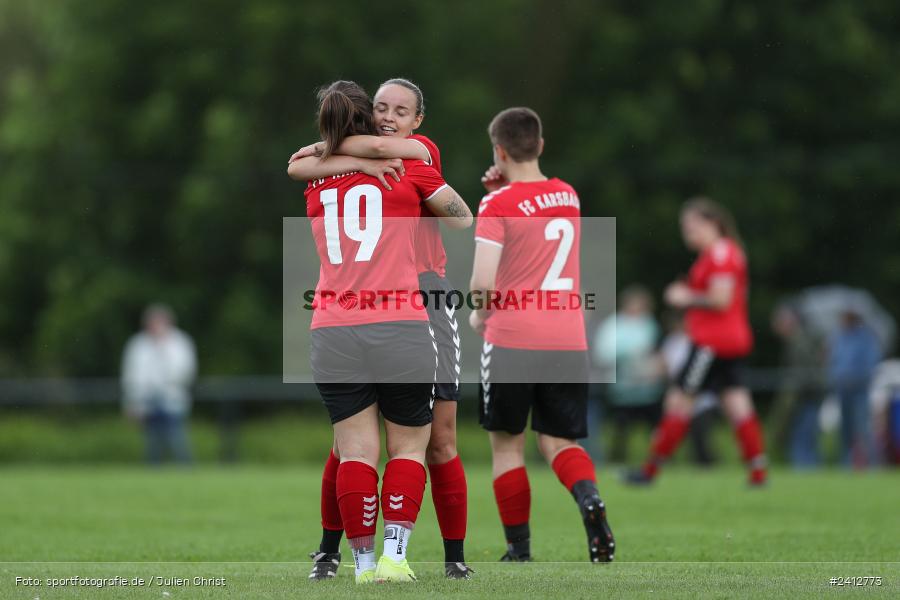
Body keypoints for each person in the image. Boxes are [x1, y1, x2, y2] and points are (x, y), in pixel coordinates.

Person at [288, 80, 472, 584]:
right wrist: (360, 161)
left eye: (401, 111)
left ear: (418, 121)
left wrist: (338, 148)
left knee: (424, 440)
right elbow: (463, 218)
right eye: (381, 108)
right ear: (367, 115)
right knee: (377, 444)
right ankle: (350, 553)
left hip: (382, 305)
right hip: (398, 310)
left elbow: (299, 163)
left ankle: (439, 558)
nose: (389, 118)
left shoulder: (412, 153)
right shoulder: (393, 166)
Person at [470, 107, 615, 563]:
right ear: (541, 145)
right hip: (568, 337)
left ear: (499, 151)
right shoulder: (568, 195)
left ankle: (519, 549)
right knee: (560, 442)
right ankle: (589, 498)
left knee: (507, 445)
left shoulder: (496, 204)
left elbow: (482, 284)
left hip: (513, 337)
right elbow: (535, 221)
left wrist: (478, 317)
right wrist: (503, 189)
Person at [625, 197, 767, 487]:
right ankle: (758, 472)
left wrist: (684, 296)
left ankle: (649, 471)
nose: (687, 233)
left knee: (678, 401)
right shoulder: (722, 253)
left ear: (712, 223)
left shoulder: (720, 254)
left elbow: (721, 299)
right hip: (730, 341)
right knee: (737, 404)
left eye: (691, 226)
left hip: (712, 344)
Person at [593, 286, 663, 463]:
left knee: (654, 424)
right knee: (621, 427)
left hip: (648, 387)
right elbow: (604, 353)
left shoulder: (649, 324)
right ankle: (617, 458)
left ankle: (659, 456)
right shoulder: (613, 325)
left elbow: (655, 352)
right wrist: (628, 354)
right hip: (623, 387)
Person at [121, 304, 197, 465]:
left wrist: (163, 351)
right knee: (152, 443)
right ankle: (154, 471)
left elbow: (186, 371)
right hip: (147, 400)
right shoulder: (138, 344)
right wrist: (132, 403)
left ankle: (185, 469)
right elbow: (132, 376)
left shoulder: (180, 342)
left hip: (172, 398)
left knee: (177, 439)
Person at [771, 303, 826, 468]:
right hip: (809, 391)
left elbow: (803, 370)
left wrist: (792, 391)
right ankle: (806, 465)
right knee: (805, 432)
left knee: (803, 433)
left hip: (808, 392)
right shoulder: (799, 338)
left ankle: (805, 467)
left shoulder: (798, 340)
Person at [828, 309, 882, 468]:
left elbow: (871, 363)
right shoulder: (838, 337)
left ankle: (872, 463)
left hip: (859, 387)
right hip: (842, 387)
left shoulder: (865, 338)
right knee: (845, 428)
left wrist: (861, 378)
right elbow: (834, 361)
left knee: (862, 426)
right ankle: (846, 462)